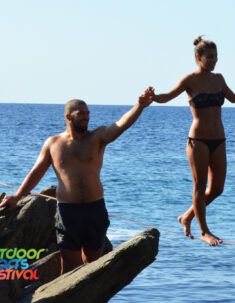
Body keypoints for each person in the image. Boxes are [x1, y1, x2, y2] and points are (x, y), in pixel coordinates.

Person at [0, 89, 154, 273]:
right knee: (69, 266)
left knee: (93, 263)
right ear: (68, 116)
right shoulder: (53, 143)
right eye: (81, 114)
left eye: (88, 113)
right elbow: (36, 172)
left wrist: (140, 106)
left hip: (94, 208)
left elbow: (120, 125)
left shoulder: (97, 137)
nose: (86, 117)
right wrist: (17, 197)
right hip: (68, 211)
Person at [149, 36, 235, 246]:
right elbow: (167, 97)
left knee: (217, 189)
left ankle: (187, 216)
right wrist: (153, 97)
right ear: (198, 57)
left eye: (216, 57)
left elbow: (233, 97)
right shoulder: (189, 80)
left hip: (219, 139)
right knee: (199, 187)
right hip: (198, 140)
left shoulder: (218, 79)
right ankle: (204, 231)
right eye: (209, 57)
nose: (214, 61)